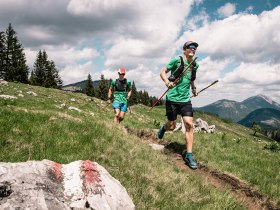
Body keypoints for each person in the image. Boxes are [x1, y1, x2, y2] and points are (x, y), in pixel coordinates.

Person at [157, 41, 199, 169]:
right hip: (172, 98)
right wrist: (166, 82)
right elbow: (162, 72)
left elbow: (191, 79)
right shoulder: (177, 60)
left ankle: (189, 155)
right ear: (184, 49)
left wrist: (193, 89)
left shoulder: (195, 65)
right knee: (172, 125)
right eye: (190, 47)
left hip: (185, 99)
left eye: (195, 48)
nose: (193, 49)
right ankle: (164, 128)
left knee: (189, 124)